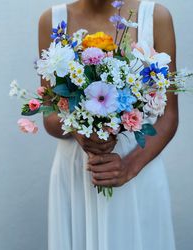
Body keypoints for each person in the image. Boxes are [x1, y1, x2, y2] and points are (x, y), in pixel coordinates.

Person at [38, 0, 178, 249]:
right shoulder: (52, 20)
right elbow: (49, 115)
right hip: (78, 171)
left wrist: (128, 167)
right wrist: (79, 129)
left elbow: (169, 116)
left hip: (137, 167)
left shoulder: (156, 17)